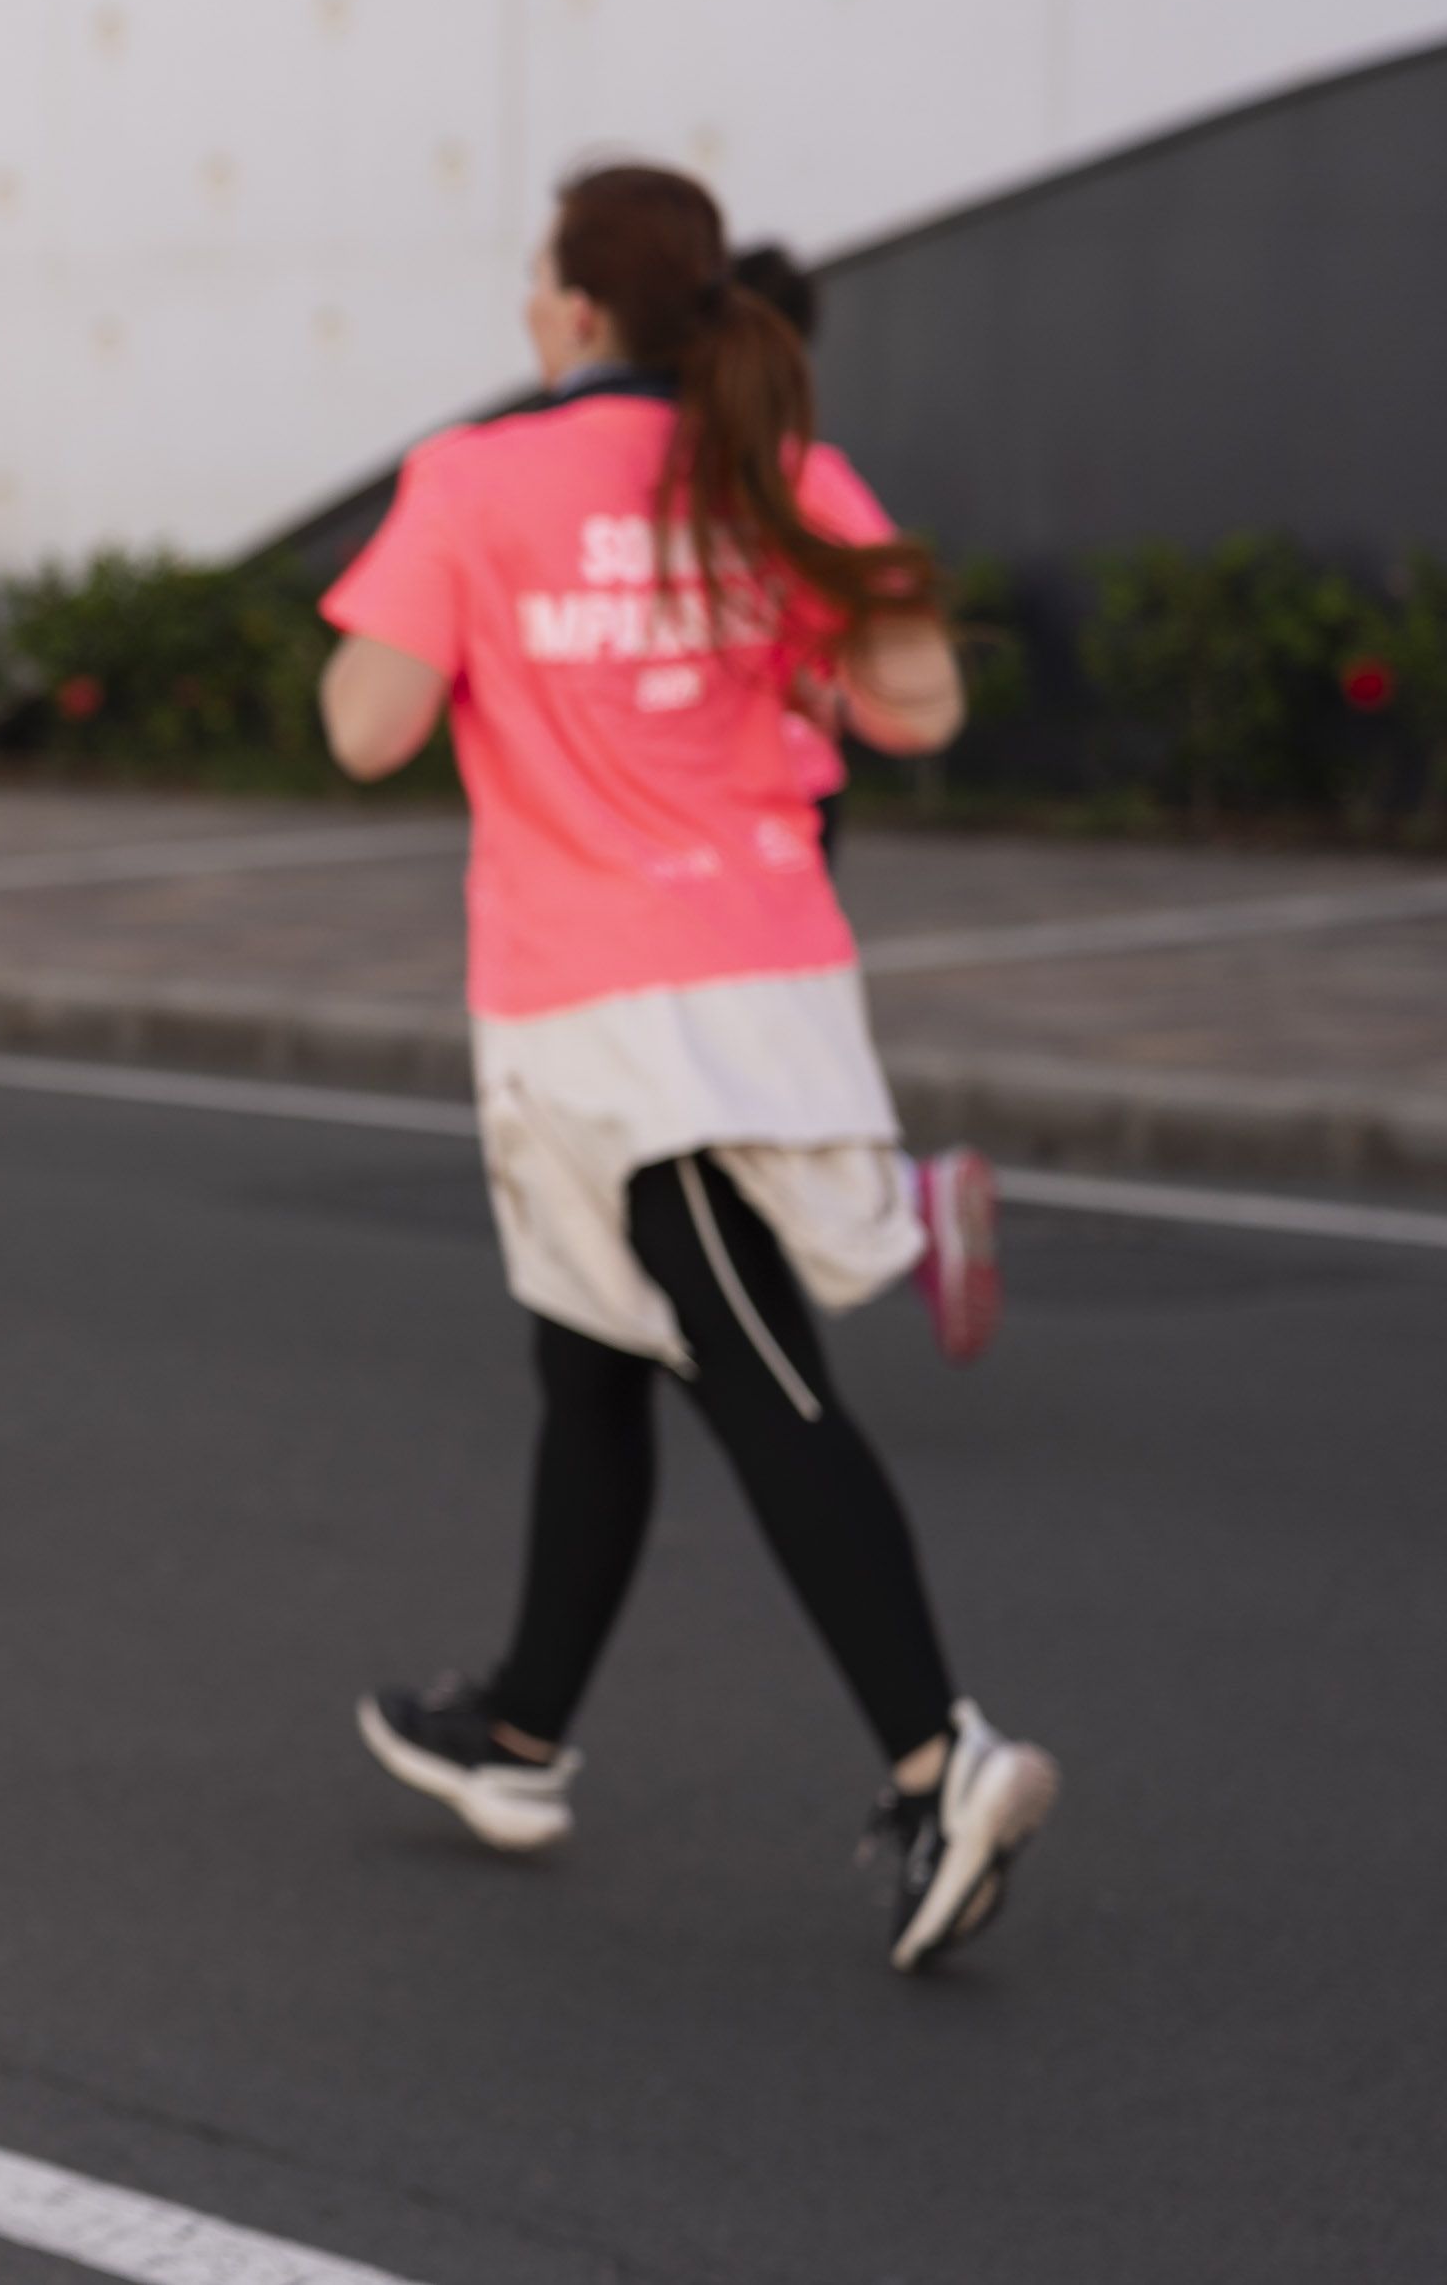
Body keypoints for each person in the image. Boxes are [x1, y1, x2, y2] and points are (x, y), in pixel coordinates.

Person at [318, 163, 1049, 1974]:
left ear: (572, 307)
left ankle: (938, 1752)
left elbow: (365, 727)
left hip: (605, 1022)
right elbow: (925, 707)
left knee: (750, 1372)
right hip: (778, 984)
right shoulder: (779, 468)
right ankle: (515, 1729)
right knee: (596, 1358)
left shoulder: (478, 476)